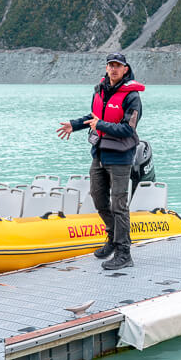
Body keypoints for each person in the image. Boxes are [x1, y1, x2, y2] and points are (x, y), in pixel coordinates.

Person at [57, 52, 144, 270]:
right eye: (110, 65)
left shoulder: (132, 97)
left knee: (119, 205)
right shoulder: (100, 90)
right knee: (98, 199)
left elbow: (127, 128)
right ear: (106, 68)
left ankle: (124, 252)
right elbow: (94, 116)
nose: (113, 69)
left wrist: (101, 125)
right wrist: (74, 124)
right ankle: (112, 239)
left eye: (118, 66)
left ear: (125, 69)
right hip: (99, 153)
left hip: (120, 156)